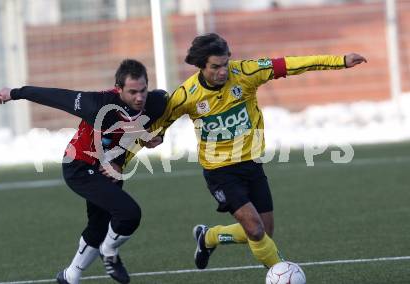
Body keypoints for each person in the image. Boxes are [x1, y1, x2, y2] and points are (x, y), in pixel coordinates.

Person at [150, 33, 367, 271]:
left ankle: (209, 237)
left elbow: (290, 64)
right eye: (215, 67)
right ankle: (281, 271)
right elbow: (160, 123)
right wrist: (153, 137)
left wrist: (340, 60)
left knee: (263, 230)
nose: (223, 71)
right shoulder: (186, 95)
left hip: (251, 164)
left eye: (225, 64)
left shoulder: (246, 72)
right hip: (219, 171)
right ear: (201, 65)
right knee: (255, 229)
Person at [0, 59, 167, 284]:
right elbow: (55, 96)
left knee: (98, 226)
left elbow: (154, 124)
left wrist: (156, 136)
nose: (139, 97)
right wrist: (15, 93)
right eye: (132, 91)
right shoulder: (96, 104)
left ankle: (70, 276)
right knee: (129, 214)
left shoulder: (156, 103)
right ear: (119, 89)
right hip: (79, 166)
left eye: (143, 90)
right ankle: (110, 251)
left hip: (109, 170)